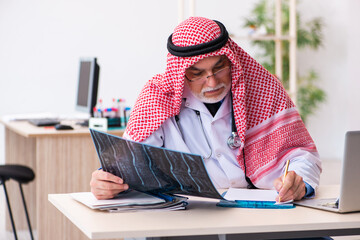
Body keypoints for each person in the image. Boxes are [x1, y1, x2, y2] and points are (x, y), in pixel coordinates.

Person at [90, 17, 321, 204]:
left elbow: (301, 155)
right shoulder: (157, 99)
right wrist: (107, 181)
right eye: (197, 73)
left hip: (258, 211)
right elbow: (132, 166)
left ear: (231, 60)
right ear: (180, 72)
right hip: (189, 215)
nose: (212, 83)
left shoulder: (264, 88)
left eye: (219, 67)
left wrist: (300, 181)